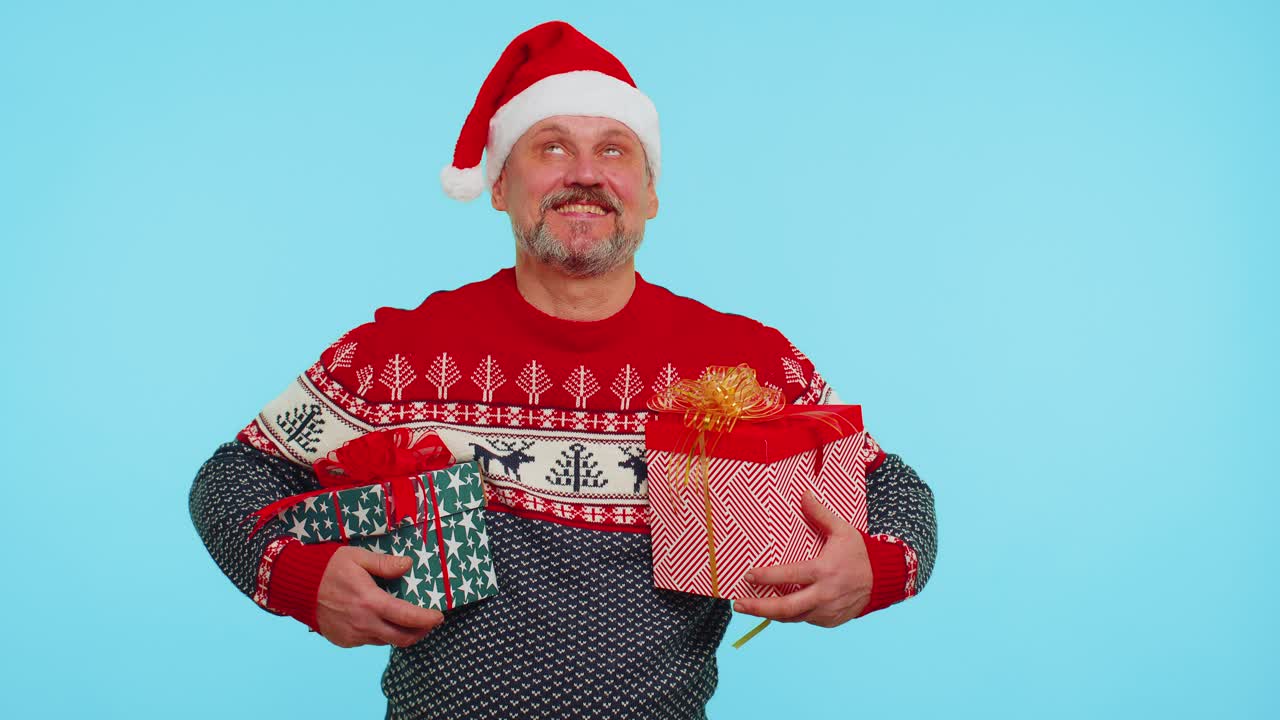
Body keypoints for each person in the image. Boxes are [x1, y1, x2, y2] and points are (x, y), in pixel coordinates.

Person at [189, 20, 937, 720]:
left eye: (615, 149)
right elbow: (233, 478)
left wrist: (875, 570)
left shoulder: (744, 361)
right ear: (499, 186)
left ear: (650, 194)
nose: (585, 173)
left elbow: (891, 489)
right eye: (550, 146)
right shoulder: (396, 354)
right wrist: (300, 579)